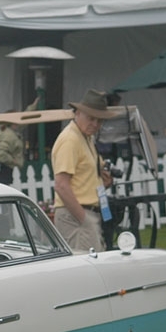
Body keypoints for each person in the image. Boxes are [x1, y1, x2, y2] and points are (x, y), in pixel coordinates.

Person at [51, 89, 120, 252]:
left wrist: (104, 181)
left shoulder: (85, 137)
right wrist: (83, 219)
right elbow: (61, 185)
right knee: (86, 271)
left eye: (99, 121)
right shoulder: (70, 140)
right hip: (76, 216)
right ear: (78, 113)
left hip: (85, 213)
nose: (95, 124)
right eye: (91, 118)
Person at [0, 113, 23, 185]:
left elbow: (23, 122)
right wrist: (14, 161)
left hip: (0, 168)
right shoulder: (9, 135)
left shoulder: (6, 131)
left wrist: (32, 106)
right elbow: (1, 153)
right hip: (4, 169)